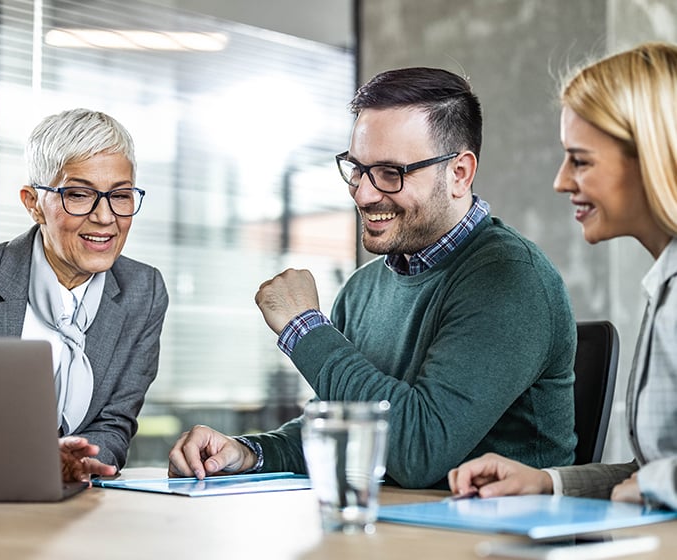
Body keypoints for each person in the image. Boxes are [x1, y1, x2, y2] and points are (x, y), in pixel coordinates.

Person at [169, 67, 577, 489]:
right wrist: (250, 453)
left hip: (492, 545)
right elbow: (343, 433)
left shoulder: (510, 280)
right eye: (357, 169)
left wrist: (303, 329)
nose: (363, 193)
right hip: (390, 533)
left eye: (390, 173)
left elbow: (417, 451)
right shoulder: (363, 289)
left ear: (459, 174)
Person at [448, 42, 677, 510]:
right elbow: (651, 472)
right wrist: (547, 482)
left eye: (581, 160)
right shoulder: (664, 285)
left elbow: (655, 483)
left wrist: (656, 487)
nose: (561, 181)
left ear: (651, 157)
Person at [0, 108, 169, 481]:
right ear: (33, 203)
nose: (104, 217)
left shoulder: (143, 291)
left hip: (72, 503)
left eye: (121, 195)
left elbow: (115, 422)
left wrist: (77, 463)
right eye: (78, 195)